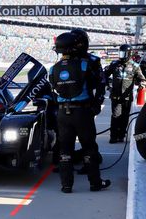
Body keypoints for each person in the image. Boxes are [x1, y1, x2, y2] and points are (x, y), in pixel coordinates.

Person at [49, 32, 111, 193]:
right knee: (89, 147)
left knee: (65, 149)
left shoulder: (52, 69)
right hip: (82, 111)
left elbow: (53, 91)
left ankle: (66, 185)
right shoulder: (86, 64)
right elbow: (98, 84)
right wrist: (95, 105)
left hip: (63, 113)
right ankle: (95, 183)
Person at [71, 29, 105, 174]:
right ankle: (67, 163)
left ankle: (90, 163)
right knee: (67, 137)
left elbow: (101, 83)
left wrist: (97, 103)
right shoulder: (66, 59)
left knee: (87, 138)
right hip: (68, 104)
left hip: (87, 104)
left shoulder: (93, 60)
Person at [104, 44, 146, 143]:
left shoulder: (135, 66)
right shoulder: (114, 64)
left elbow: (142, 79)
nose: (122, 55)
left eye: (124, 53)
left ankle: (121, 135)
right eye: (121, 53)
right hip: (115, 96)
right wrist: (108, 86)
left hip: (127, 97)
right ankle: (113, 136)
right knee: (116, 116)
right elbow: (104, 75)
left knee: (125, 117)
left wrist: (141, 85)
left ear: (129, 53)